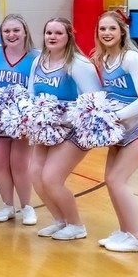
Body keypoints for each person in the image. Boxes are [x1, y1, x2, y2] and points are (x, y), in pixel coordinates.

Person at [92, 12, 138, 252]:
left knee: (116, 180)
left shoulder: (131, 58)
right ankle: (125, 231)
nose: (107, 33)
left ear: (122, 31)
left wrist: (113, 117)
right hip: (121, 129)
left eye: (112, 28)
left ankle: (136, 237)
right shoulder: (103, 59)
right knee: (110, 180)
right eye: (102, 29)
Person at [27, 18, 102, 241]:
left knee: (51, 177)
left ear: (69, 36)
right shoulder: (39, 60)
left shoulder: (78, 64)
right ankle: (60, 220)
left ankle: (77, 225)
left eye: (58, 33)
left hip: (75, 129)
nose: (52, 36)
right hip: (47, 127)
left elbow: (95, 101)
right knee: (35, 174)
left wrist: (62, 114)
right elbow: (31, 92)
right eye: (48, 32)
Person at [0, 14, 38, 225]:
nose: (11, 35)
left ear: (25, 32)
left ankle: (27, 206)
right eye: (6, 31)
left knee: (20, 164)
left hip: (22, 119)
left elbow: (38, 89)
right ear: (1, 34)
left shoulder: (36, 57)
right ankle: (7, 205)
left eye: (16, 30)